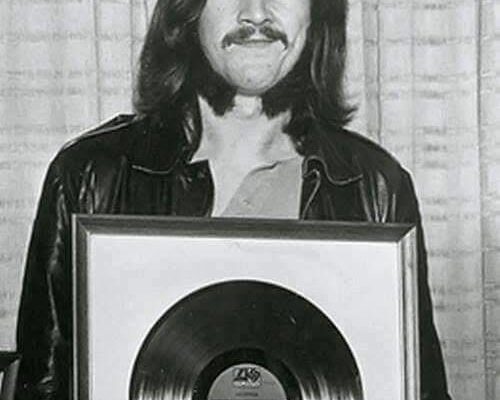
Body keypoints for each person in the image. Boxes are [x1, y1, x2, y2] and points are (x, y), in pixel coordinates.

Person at [15, 0, 451, 399]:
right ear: (187, 12)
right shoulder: (88, 176)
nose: (255, 13)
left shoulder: (377, 187)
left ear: (318, 13)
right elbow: (43, 387)